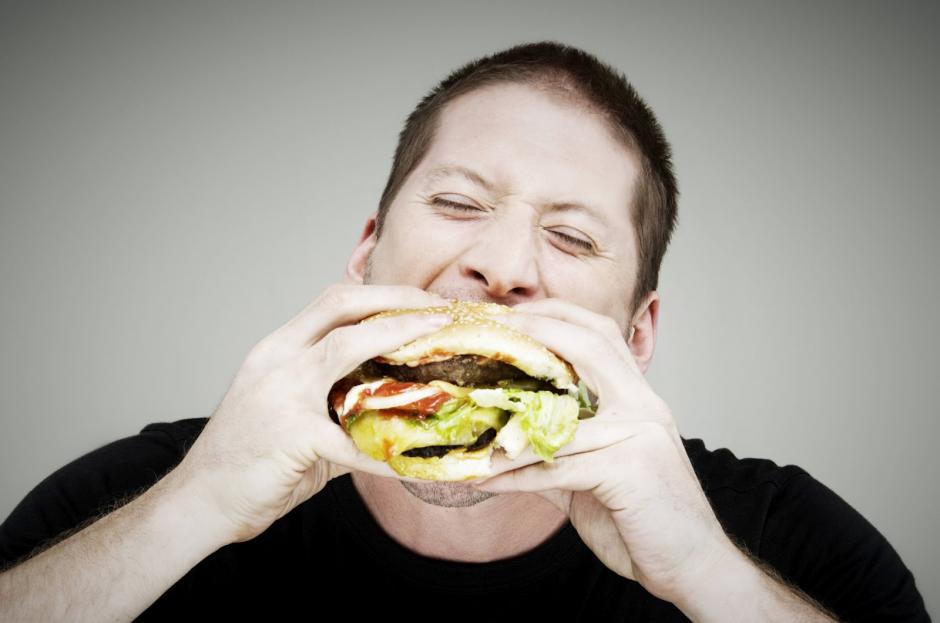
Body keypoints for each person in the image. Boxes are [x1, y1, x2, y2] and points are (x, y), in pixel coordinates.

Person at [0, 40, 930, 622]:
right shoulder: (136, 499)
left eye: (571, 235)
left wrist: (705, 577)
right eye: (457, 201)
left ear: (637, 333)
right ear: (365, 257)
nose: (504, 263)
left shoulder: (792, 543)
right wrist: (191, 510)